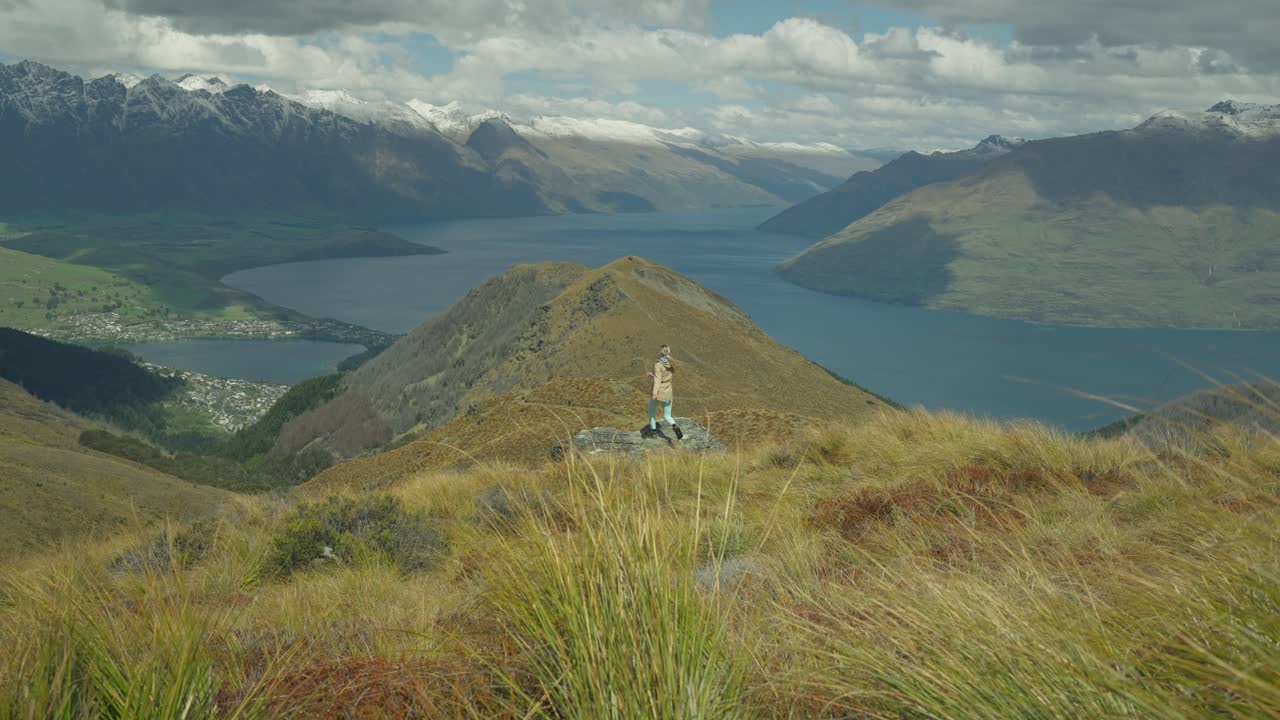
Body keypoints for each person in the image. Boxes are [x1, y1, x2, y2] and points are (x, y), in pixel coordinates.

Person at [645, 344, 683, 440]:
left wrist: (654, 393)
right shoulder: (671, 364)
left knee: (651, 412)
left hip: (659, 391)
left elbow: (658, 381)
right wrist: (653, 375)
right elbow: (664, 377)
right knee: (667, 415)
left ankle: (653, 432)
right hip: (668, 391)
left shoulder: (658, 365)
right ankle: (674, 425)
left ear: (660, 353)